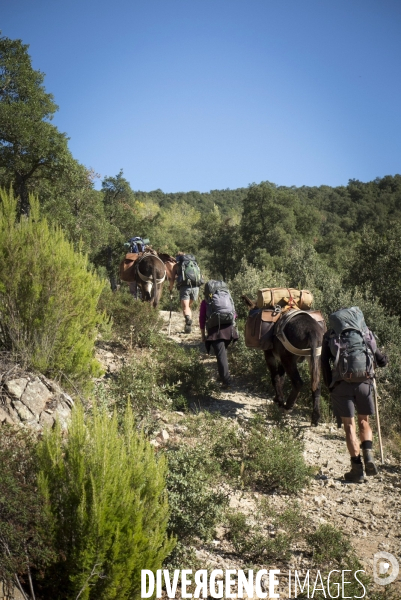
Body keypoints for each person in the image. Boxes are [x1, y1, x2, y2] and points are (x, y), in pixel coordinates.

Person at [321, 306, 388, 483]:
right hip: (364, 382)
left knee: (349, 426)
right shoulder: (365, 332)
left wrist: (330, 386)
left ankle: (356, 470)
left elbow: (324, 365)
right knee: (364, 421)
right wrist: (383, 360)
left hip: (342, 385)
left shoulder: (330, 335)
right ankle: (369, 456)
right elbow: (380, 359)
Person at [199, 280, 238, 388]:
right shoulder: (227, 298)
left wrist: (203, 335)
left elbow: (202, 319)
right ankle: (222, 376)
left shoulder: (205, 302)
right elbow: (234, 314)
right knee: (222, 353)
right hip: (229, 330)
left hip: (216, 331)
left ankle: (227, 381)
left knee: (221, 356)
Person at [169, 252, 202, 333]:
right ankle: (188, 328)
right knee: (188, 306)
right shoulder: (194, 264)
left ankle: (188, 318)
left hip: (185, 287)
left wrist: (170, 288)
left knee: (185, 308)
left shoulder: (176, 266)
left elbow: (172, 279)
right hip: (196, 287)